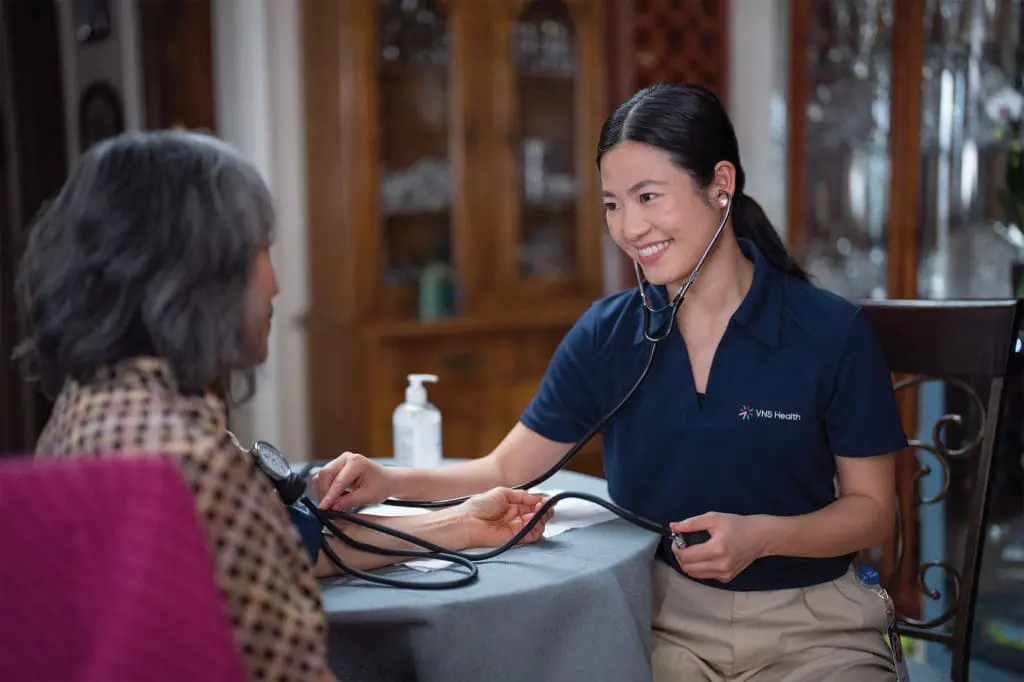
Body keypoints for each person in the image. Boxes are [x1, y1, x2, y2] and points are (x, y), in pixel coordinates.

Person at [312, 83, 907, 681]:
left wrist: (764, 538)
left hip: (814, 631)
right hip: (663, 628)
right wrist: (390, 479)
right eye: (613, 205)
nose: (629, 227)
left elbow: (873, 510)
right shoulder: (607, 335)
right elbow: (504, 469)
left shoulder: (830, 330)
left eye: (649, 196)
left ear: (720, 183)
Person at [13, 130, 552, 682]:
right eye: (258, 249)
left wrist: (460, 524)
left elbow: (282, 549)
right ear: (195, 273)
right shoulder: (191, 461)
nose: (275, 282)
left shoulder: (90, 407)